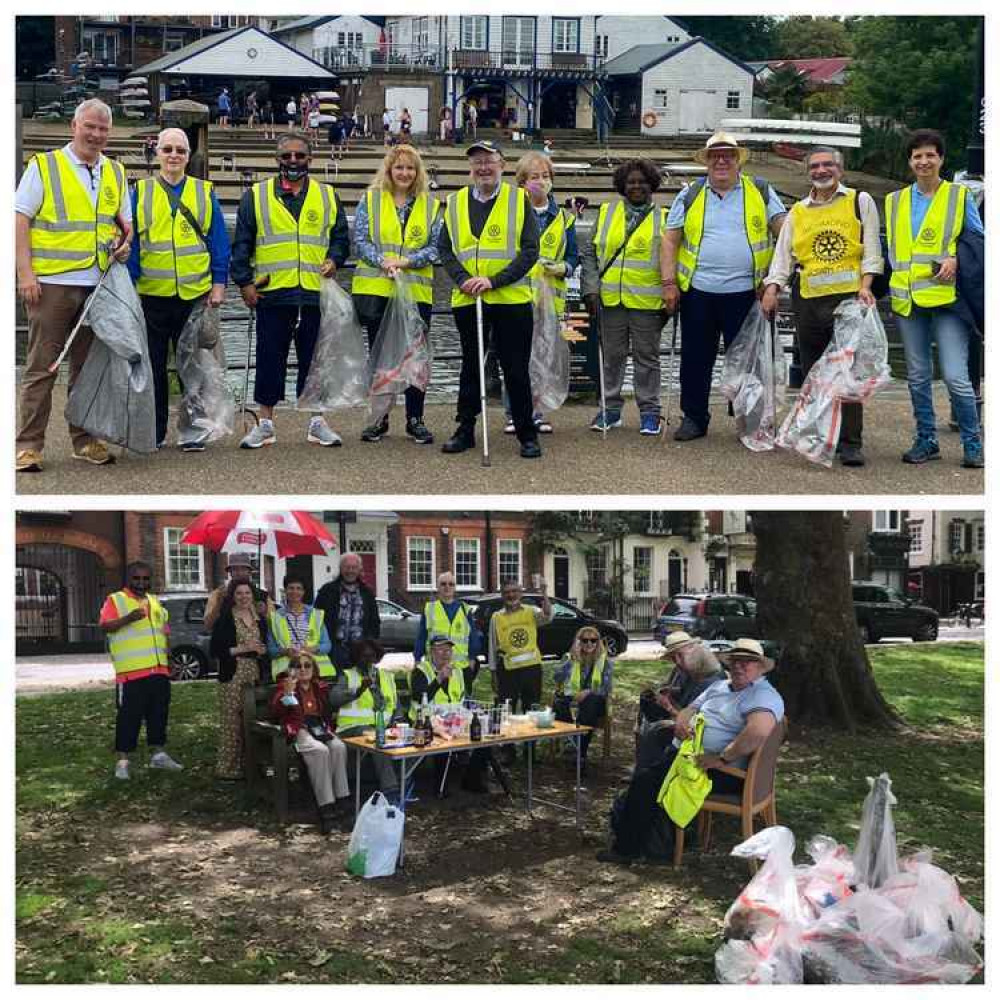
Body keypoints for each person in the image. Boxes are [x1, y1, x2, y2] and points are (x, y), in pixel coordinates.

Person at [15, 98, 132, 473]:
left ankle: (83, 440)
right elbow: (20, 220)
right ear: (74, 127)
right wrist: (25, 274)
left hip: (97, 286)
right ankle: (29, 446)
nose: (96, 135)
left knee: (87, 369)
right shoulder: (45, 166)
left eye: (103, 129)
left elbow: (123, 226)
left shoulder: (115, 171)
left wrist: (124, 246)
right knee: (41, 367)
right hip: (52, 284)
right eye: (90, 127)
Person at [598, 638, 784, 865]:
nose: (739, 666)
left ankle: (627, 850)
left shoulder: (762, 695)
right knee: (648, 770)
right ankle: (651, 837)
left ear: (760, 667)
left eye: (747, 662)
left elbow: (758, 731)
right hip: (690, 758)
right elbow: (689, 708)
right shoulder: (720, 687)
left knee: (645, 781)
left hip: (722, 771)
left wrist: (722, 757)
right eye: (735, 661)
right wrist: (681, 723)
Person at [760, 146, 882, 467]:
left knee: (849, 375)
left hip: (849, 301)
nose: (821, 170)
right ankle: (822, 434)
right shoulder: (798, 212)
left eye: (828, 164)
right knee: (817, 374)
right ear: (808, 171)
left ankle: (851, 443)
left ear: (840, 170)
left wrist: (867, 285)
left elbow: (872, 249)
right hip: (809, 301)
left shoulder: (860, 201)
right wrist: (772, 288)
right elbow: (783, 256)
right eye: (815, 165)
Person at [661, 132, 787, 442]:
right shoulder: (689, 195)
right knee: (695, 359)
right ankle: (694, 417)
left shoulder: (760, 190)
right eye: (715, 155)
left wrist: (775, 281)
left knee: (749, 360)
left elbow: (784, 232)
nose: (721, 161)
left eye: (728, 155)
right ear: (706, 161)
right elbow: (670, 240)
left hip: (747, 292)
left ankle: (750, 419)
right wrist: (668, 283)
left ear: (737, 160)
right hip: (698, 292)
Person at [230, 132, 350, 449]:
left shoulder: (327, 195)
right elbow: (241, 244)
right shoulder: (255, 196)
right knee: (270, 359)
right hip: (272, 291)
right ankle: (265, 423)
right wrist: (244, 283)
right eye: (286, 156)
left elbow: (341, 239)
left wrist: (335, 260)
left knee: (315, 361)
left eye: (299, 156)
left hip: (313, 292)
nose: (293, 161)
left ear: (310, 159)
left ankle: (317, 422)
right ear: (277, 159)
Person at [885, 129, 985, 469]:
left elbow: (980, 242)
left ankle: (973, 442)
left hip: (946, 299)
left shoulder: (959, 196)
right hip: (907, 300)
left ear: (941, 158)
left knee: (956, 375)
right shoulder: (894, 201)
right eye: (917, 156)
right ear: (910, 161)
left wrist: (956, 257)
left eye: (930, 155)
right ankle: (926, 439)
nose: (923, 161)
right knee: (916, 374)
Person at [126, 127, 229, 451]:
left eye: (180, 151)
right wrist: (130, 287)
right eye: (167, 149)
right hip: (152, 295)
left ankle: (193, 431)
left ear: (188, 156)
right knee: (152, 368)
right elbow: (133, 243)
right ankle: (153, 432)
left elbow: (218, 241)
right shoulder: (139, 192)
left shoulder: (203, 191)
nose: (173, 156)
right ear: (156, 153)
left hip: (193, 295)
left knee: (193, 369)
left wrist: (218, 283)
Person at [437, 139, 542, 458]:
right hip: (469, 299)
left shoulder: (518, 199)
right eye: (477, 161)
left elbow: (530, 250)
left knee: (515, 368)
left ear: (502, 165)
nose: (483, 167)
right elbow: (446, 248)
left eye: (489, 160)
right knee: (471, 366)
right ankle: (465, 427)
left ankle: (526, 432)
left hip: (510, 299)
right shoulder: (454, 202)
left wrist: (494, 281)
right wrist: (462, 279)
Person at [353, 144, 442, 444]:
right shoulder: (371, 199)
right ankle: (380, 418)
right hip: (378, 288)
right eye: (399, 167)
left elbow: (435, 247)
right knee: (382, 356)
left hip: (416, 291)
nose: (404, 173)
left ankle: (415, 418)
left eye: (410, 168)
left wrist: (407, 261)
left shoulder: (431, 206)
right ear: (389, 170)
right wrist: (383, 262)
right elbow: (361, 240)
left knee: (416, 356)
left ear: (418, 173)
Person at [581, 158, 668, 435]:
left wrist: (672, 292)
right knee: (612, 357)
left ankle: (650, 413)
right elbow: (590, 255)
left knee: (647, 359)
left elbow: (673, 259)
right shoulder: (606, 212)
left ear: (651, 184)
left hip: (647, 301)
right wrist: (590, 288)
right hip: (610, 300)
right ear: (622, 185)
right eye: (631, 181)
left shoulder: (664, 217)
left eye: (642, 181)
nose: (636, 186)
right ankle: (610, 410)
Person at [502, 152, 579, 436]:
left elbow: (573, 258)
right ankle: (515, 412)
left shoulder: (564, 219)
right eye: (534, 177)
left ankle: (538, 411)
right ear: (522, 182)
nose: (541, 182)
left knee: (544, 356)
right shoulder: (511, 212)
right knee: (517, 356)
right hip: (518, 295)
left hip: (550, 299)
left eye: (545, 176)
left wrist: (563, 268)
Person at [100, 560, 182, 780]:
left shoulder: (155, 602)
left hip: (159, 671)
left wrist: (170, 658)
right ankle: (123, 762)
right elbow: (105, 626)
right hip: (131, 674)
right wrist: (128, 618)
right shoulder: (116, 600)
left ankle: (159, 755)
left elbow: (164, 633)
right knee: (128, 718)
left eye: (146, 579)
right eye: (137, 578)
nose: (141, 583)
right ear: (129, 579)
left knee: (159, 714)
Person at [269, 651, 350, 833]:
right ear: (292, 670)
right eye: (299, 666)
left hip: (320, 728)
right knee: (320, 751)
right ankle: (326, 809)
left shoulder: (319, 686)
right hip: (300, 729)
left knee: (338, 746)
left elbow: (327, 711)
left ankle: (343, 801)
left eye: (308, 665)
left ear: (314, 669)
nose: (304, 669)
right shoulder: (286, 686)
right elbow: (275, 712)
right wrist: (288, 694)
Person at [410, 634, 489, 795]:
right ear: (431, 652)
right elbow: (420, 697)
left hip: (455, 718)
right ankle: (441, 786)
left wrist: (474, 709)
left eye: (448, 650)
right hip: (426, 720)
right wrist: (439, 678)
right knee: (445, 738)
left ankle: (472, 778)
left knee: (484, 732)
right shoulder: (420, 671)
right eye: (440, 650)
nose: (445, 654)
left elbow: (463, 698)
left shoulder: (458, 672)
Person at [635, 631, 725, 768]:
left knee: (656, 731)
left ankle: (646, 772)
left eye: (680, 655)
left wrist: (669, 708)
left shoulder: (711, 680)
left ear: (694, 651)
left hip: (694, 737)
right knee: (647, 709)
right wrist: (670, 691)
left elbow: (691, 725)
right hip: (684, 725)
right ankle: (642, 768)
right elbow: (684, 693)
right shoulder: (690, 671)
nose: (677, 661)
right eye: (673, 657)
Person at [209, 579, 269, 780]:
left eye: (247, 593)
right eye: (239, 594)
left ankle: (250, 765)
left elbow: (264, 646)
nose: (244, 597)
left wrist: (261, 650)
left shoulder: (259, 619)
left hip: (254, 672)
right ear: (233, 597)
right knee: (231, 722)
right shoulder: (226, 619)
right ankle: (227, 769)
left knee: (251, 721)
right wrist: (245, 648)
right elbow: (216, 650)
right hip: (233, 672)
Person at [328, 638, 399, 796]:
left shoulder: (386, 676)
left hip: (383, 728)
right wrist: (358, 691)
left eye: (372, 656)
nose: (368, 660)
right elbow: (334, 699)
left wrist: (397, 722)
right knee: (378, 740)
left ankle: (406, 783)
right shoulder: (348, 676)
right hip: (351, 730)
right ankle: (391, 791)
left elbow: (395, 705)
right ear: (356, 657)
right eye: (364, 656)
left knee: (407, 739)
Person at [552, 626, 614, 772]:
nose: (589, 644)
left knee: (590, 702)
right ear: (578, 641)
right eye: (584, 640)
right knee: (559, 702)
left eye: (593, 640)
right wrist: (571, 659)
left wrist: (587, 692)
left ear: (598, 642)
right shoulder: (569, 658)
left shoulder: (605, 662)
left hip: (595, 702)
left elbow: (606, 688)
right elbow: (556, 678)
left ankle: (579, 751)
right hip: (572, 699)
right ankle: (573, 744)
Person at [487, 578, 552, 716]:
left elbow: (548, 616)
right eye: (507, 592)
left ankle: (530, 738)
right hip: (507, 672)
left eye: (514, 591)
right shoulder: (496, 617)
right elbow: (492, 647)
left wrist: (544, 594)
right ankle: (509, 737)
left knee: (532, 710)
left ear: (520, 593)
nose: (511, 595)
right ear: (502, 595)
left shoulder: (531, 611)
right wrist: (493, 674)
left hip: (531, 670)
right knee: (505, 711)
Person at [313, 552, 381, 667]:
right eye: (347, 567)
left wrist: (370, 643)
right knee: (335, 683)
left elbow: (374, 621)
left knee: (360, 683)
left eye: (354, 567)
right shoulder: (327, 590)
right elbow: (316, 619)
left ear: (359, 569)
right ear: (340, 568)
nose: (350, 571)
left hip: (361, 650)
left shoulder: (367, 592)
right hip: (334, 648)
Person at [267, 573, 335, 678]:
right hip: (287, 673)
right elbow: (271, 650)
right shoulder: (275, 617)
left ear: (303, 592)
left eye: (299, 588)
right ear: (285, 590)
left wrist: (312, 649)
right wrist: (286, 651)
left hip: (313, 672)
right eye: (291, 588)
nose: (295, 592)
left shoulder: (315, 614)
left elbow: (327, 645)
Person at [413, 571, 482, 669]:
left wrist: (472, 658)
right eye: (443, 584)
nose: (447, 587)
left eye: (451, 584)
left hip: (460, 667)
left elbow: (473, 637)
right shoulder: (429, 609)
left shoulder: (465, 609)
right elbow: (421, 637)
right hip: (436, 667)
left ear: (455, 588)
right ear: (438, 587)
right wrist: (417, 659)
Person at [203, 551, 274, 631]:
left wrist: (264, 613)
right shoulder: (217, 594)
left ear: (249, 572)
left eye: (243, 569)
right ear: (230, 572)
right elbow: (207, 626)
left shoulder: (262, 596)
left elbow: (274, 627)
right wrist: (218, 604)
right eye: (235, 569)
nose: (240, 573)